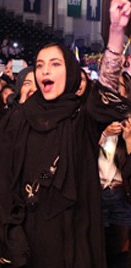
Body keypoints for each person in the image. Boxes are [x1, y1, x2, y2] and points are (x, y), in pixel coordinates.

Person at [0, 0, 131, 267]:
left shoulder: (82, 118)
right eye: (40, 64)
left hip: (76, 233)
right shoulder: (18, 119)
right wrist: (10, 236)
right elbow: (1, 181)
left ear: (70, 72)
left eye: (55, 64)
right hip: (29, 236)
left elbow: (107, 93)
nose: (45, 70)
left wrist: (115, 31)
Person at [98, 71, 131, 268]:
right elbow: (80, 155)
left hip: (121, 193)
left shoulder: (129, 123)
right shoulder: (92, 119)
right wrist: (102, 133)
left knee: (120, 253)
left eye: (117, 86)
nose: (112, 91)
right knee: (99, 252)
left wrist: (128, 140)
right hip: (97, 193)